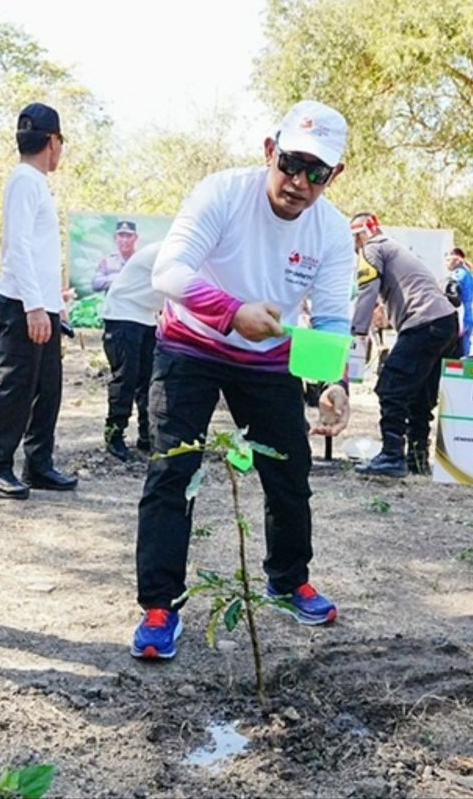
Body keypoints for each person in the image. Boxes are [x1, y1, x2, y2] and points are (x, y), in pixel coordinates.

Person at [131, 99, 355, 660]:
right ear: (269, 151)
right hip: (191, 343)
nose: (298, 182)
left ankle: (287, 577)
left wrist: (331, 383)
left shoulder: (330, 231)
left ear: (334, 176)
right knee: (172, 471)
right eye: (291, 163)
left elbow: (328, 317)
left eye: (316, 172)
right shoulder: (222, 193)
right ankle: (160, 605)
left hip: (268, 359)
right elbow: (170, 271)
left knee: (288, 472)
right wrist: (231, 312)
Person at [0, 102, 78, 500]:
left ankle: (39, 463)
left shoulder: (36, 182)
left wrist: (53, 304)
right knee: (15, 387)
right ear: (53, 141)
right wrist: (33, 306)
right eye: (61, 141)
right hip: (20, 305)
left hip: (42, 305)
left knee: (49, 388)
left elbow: (40, 254)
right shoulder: (25, 180)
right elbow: (17, 248)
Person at [350, 212, 459, 479]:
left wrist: (357, 333)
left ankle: (391, 454)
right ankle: (417, 458)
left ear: (359, 234)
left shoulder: (372, 248)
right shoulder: (397, 248)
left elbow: (367, 290)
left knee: (391, 386)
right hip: (446, 323)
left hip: (423, 322)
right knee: (422, 394)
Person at [102, 242, 163, 461]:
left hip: (147, 317)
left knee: (150, 381)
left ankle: (147, 436)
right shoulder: (169, 251)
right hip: (122, 315)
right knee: (125, 379)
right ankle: (114, 435)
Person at [92, 220, 139, 292]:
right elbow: (96, 283)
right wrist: (119, 278)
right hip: (113, 302)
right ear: (115, 238)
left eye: (129, 236)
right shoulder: (107, 261)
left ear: (135, 237)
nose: (125, 240)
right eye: (121, 236)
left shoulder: (141, 259)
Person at [444, 247, 473, 357]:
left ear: (457, 260)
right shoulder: (468, 274)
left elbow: (452, 293)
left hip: (460, 315)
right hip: (468, 315)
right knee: (464, 348)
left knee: (455, 350)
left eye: (448, 260)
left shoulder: (458, 274)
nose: (446, 263)